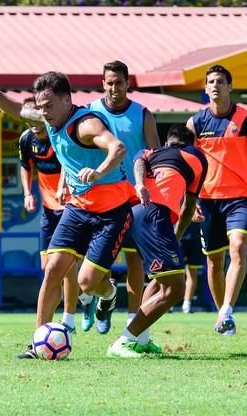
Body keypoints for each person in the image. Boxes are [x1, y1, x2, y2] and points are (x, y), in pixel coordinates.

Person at [0, 71, 134, 359]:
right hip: (78, 207)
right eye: (41, 107)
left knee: (86, 283)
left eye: (48, 106)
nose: (43, 113)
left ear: (67, 99)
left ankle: (108, 295)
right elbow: (15, 108)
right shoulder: (47, 118)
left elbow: (118, 148)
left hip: (112, 212)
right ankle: (37, 343)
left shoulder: (85, 125)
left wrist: (97, 172)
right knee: (52, 270)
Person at [186, 64, 247, 335]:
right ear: (205, 89)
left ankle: (227, 308)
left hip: (240, 198)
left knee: (238, 247)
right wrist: (188, 202)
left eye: (220, 81)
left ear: (230, 87)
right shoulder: (195, 123)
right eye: (210, 82)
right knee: (214, 263)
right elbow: (186, 165)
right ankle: (222, 317)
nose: (215, 85)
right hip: (207, 201)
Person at [107, 125, 207, 358]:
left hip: (135, 212)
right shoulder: (197, 156)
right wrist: (177, 234)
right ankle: (124, 341)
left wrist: (140, 184)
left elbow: (138, 159)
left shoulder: (152, 152)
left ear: (168, 141)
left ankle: (141, 339)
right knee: (175, 288)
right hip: (155, 215)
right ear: (190, 142)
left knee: (160, 280)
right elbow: (189, 205)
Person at [87, 60, 161, 337]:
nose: (114, 87)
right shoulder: (90, 112)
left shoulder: (143, 114)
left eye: (119, 82)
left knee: (135, 262)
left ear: (128, 83)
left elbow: (156, 156)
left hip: (134, 197)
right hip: (101, 195)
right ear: (102, 83)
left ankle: (133, 320)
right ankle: (102, 299)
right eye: (109, 82)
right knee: (98, 260)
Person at [18, 96, 87, 334]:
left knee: (65, 266)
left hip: (69, 206)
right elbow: (26, 166)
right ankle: (56, 318)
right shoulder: (26, 140)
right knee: (48, 268)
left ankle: (68, 319)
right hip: (48, 210)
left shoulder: (58, 136)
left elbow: (69, 163)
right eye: (28, 121)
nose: (34, 124)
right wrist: (27, 193)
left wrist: (62, 185)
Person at [179, 222, 205, 314]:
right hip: (178, 234)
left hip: (196, 236)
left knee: (192, 272)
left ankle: (186, 305)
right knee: (172, 271)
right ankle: (168, 304)